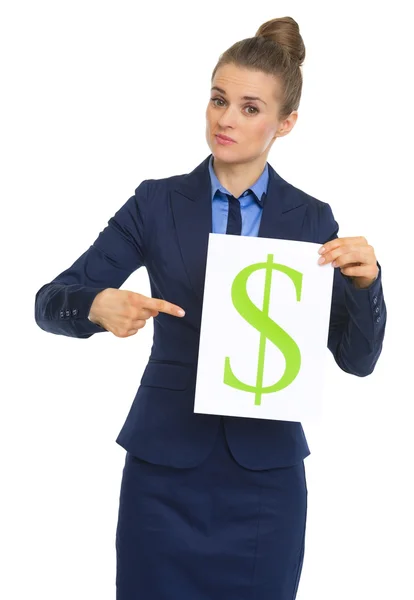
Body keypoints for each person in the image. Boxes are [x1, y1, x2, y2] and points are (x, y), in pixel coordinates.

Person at [34, 16, 386, 600]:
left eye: (251, 108)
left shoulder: (313, 220)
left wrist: (366, 284)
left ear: (285, 123)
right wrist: (96, 305)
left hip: (265, 487)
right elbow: (50, 301)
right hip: (163, 473)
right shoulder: (154, 202)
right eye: (219, 99)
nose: (226, 119)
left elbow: (357, 360)